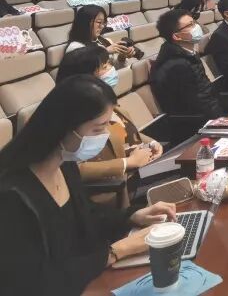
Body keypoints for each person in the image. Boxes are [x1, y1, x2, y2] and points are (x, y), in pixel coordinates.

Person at [0, 75, 177, 296]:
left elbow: (87, 216)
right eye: (98, 129)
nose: (104, 136)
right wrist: (115, 252)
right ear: (63, 127)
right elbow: (34, 283)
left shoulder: (64, 165)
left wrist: (132, 216)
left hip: (89, 282)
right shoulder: (11, 196)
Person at [56, 45, 162, 199]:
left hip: (141, 171)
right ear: (85, 78)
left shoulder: (106, 104)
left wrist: (152, 143)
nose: (112, 70)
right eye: (105, 67)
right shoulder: (72, 118)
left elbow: (127, 131)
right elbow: (71, 169)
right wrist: (128, 162)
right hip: (114, 191)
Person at [151, 8, 228, 119]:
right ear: (176, 36)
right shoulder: (176, 65)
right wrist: (223, 118)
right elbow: (195, 104)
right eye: (190, 25)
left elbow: (207, 89)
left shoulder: (188, 54)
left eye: (194, 22)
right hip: (198, 121)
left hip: (211, 112)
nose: (196, 27)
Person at [66, 4, 138, 67]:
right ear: (85, 23)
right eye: (99, 22)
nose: (102, 26)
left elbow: (113, 68)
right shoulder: (74, 46)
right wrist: (105, 52)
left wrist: (122, 57)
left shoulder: (105, 41)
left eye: (103, 23)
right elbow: (82, 71)